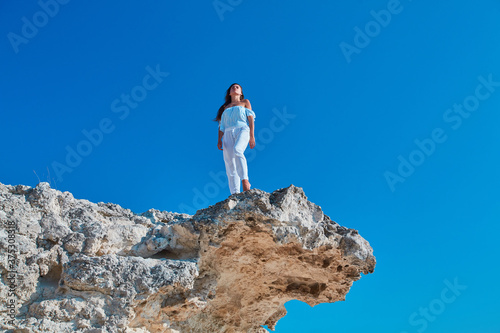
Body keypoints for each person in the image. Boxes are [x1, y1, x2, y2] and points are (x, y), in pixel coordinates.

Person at [214, 83, 256, 194]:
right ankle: (235, 193)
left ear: (241, 92)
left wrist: (252, 136)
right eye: (233, 87)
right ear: (229, 92)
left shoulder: (245, 102)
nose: (235, 87)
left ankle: (245, 181)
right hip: (227, 133)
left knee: (238, 150)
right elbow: (221, 125)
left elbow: (251, 119)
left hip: (242, 129)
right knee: (229, 164)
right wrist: (219, 139)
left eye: (238, 87)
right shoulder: (224, 108)